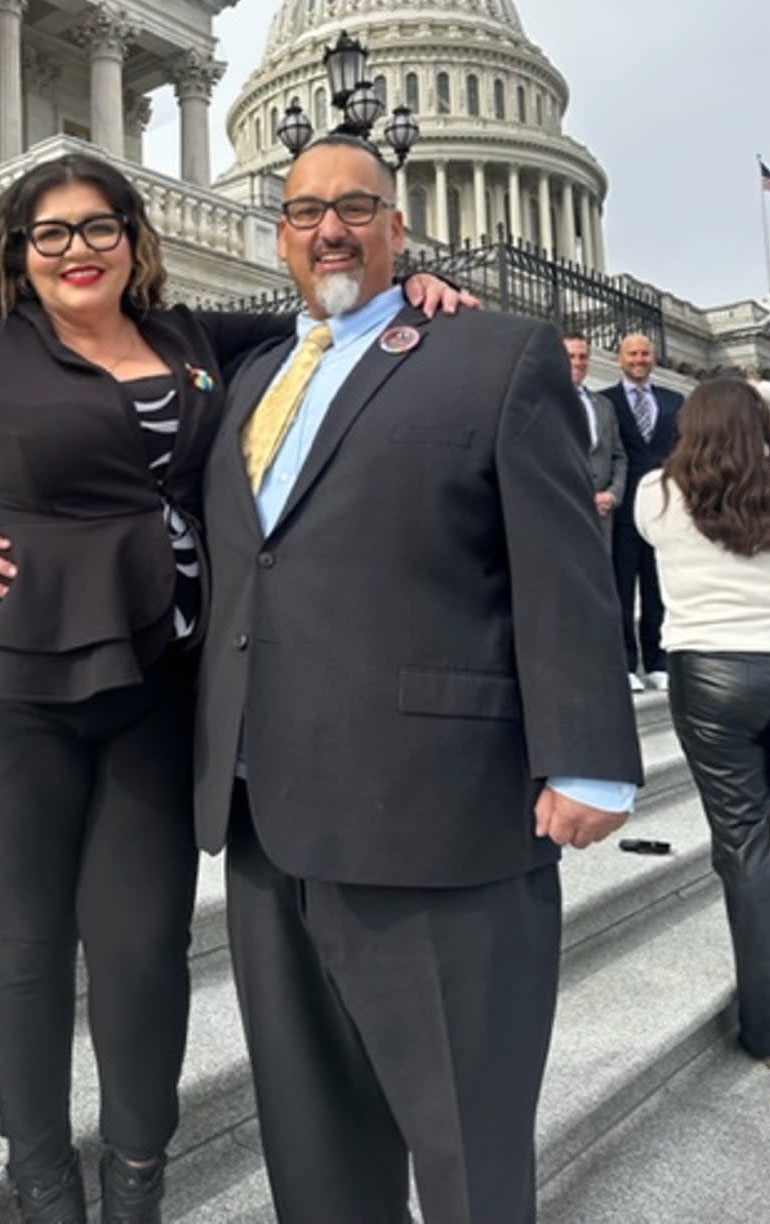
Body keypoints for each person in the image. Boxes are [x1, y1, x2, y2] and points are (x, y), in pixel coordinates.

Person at [0, 151, 465, 1224]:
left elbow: (322, 308)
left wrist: (411, 283)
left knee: (146, 946)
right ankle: (43, 1184)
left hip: (162, 679)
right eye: (51, 233)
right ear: (19, 251)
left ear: (132, 236)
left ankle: (136, 1184)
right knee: (25, 945)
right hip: (10, 685)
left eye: (98, 227)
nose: (76, 250)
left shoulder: (190, 339)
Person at [193, 135, 644, 1224]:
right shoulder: (248, 374)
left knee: (466, 1150)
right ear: (281, 233)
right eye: (304, 211)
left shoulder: (492, 354)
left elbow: (559, 560)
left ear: (401, 227)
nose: (330, 229)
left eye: (357, 207)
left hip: (436, 810)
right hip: (263, 812)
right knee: (312, 1146)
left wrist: (586, 755)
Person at [635, 376, 770, 1076]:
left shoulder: (655, 497)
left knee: (745, 847)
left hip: (714, 675)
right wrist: (755, 384)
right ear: (757, 425)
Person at [601, 332, 682, 690]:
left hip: (663, 507)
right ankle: (625, 662)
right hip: (622, 509)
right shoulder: (605, 402)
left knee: (656, 587)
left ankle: (657, 661)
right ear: (620, 358)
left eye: (645, 353)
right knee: (620, 587)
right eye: (632, 353)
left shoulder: (673, 401)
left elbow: (683, 451)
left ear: (653, 358)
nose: (639, 359)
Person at [563, 330, 626, 548]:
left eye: (583, 356)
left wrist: (613, 493)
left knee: (599, 579)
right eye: (570, 356)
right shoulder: (543, 403)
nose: (578, 362)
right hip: (564, 511)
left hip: (602, 516)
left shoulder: (604, 405)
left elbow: (618, 456)